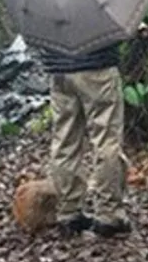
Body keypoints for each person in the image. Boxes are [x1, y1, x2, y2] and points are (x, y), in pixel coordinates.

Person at [37, 40, 130, 237]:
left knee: (65, 141)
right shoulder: (97, 7)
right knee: (106, 139)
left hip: (59, 71)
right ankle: (109, 214)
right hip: (98, 69)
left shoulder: (47, 8)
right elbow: (113, 29)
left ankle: (68, 213)